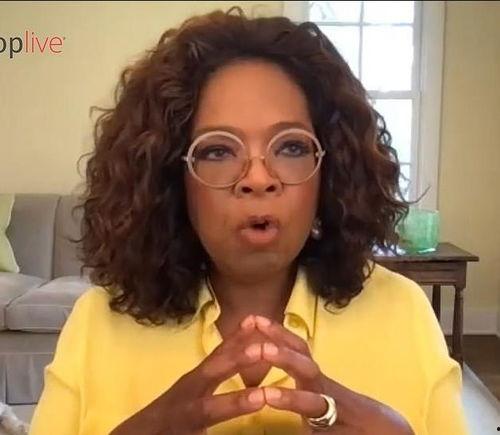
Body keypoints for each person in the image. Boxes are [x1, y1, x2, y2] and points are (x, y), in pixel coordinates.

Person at [29, 7, 468, 435]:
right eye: (217, 150)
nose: (258, 178)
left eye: (291, 147)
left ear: (331, 171)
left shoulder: (404, 313)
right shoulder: (96, 324)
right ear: (171, 179)